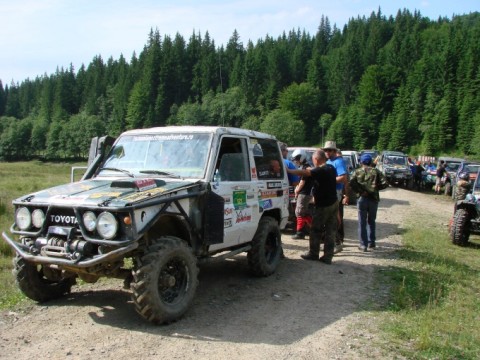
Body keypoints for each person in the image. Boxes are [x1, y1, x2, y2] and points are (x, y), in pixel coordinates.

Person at [286, 149, 338, 264]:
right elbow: (312, 171)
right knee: (330, 231)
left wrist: (289, 170)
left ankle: (313, 253)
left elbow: (306, 173)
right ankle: (328, 257)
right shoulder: (331, 168)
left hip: (324, 205)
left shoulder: (321, 169)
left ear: (316, 159)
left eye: (314, 160)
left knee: (315, 229)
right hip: (334, 203)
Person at [349, 154, 389, 251]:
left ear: (361, 162)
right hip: (373, 199)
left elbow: (351, 182)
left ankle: (363, 245)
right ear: (370, 161)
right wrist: (375, 189)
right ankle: (372, 242)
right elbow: (385, 183)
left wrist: (360, 191)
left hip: (362, 198)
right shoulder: (376, 172)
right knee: (371, 221)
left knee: (362, 222)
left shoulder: (357, 172)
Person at [323, 141, 349, 253]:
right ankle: (333, 242)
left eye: (329, 150)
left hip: (335, 191)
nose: (327, 152)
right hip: (329, 192)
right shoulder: (328, 161)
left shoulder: (338, 162)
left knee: (334, 218)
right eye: (326, 150)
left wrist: (328, 181)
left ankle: (337, 242)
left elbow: (343, 178)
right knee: (329, 218)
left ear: (334, 151)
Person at [291, 149, 314, 240]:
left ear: (301, 157)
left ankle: (300, 232)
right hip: (306, 193)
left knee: (299, 213)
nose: (295, 161)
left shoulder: (306, 169)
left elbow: (302, 182)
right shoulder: (306, 167)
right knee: (303, 213)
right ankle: (304, 231)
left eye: (296, 159)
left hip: (304, 193)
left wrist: (296, 191)